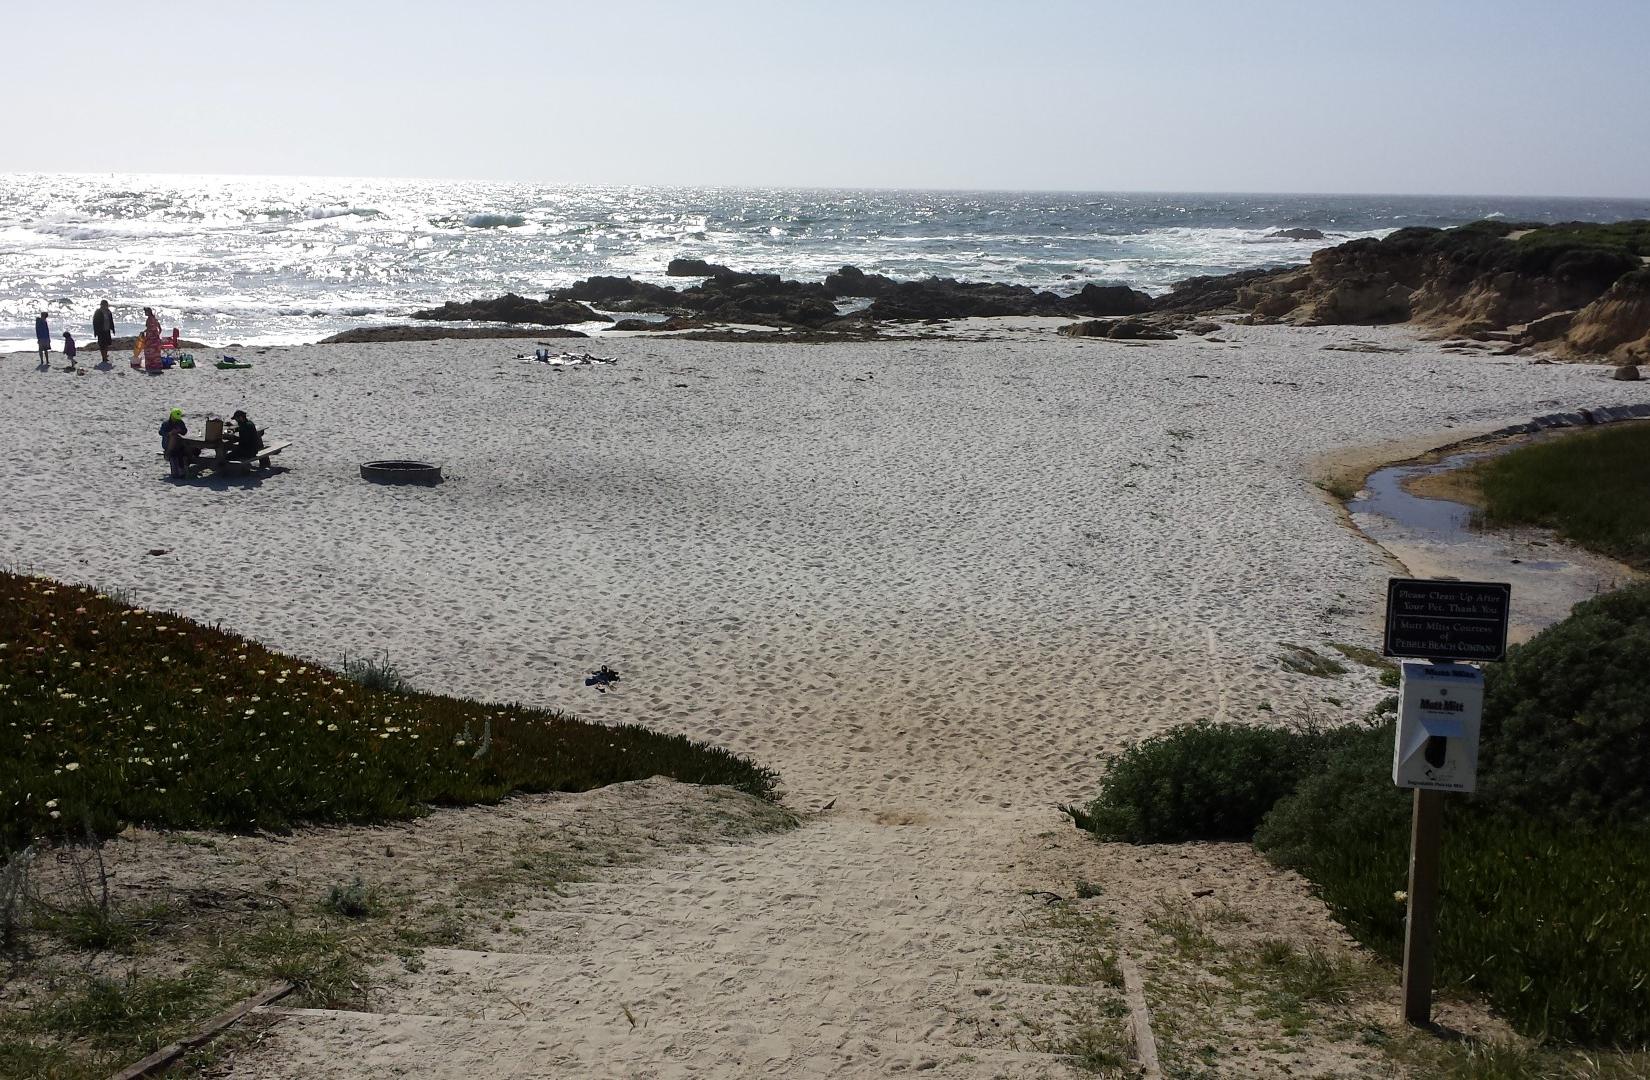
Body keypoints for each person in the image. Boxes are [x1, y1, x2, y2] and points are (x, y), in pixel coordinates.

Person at [159, 408, 190, 477]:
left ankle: (182, 470)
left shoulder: (180, 422)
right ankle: (177, 472)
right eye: (175, 418)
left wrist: (180, 430)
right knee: (174, 454)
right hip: (167, 443)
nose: (176, 420)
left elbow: (184, 432)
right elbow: (161, 432)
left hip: (178, 443)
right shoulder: (166, 424)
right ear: (171, 416)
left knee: (182, 452)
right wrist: (169, 433)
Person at [91, 300, 115, 366]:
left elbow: (111, 321)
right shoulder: (98, 312)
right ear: (101, 305)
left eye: (106, 305)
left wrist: (112, 329)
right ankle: (103, 357)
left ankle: (105, 355)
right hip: (101, 331)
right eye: (104, 305)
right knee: (102, 345)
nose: (106, 306)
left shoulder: (108, 312)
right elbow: (95, 322)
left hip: (107, 330)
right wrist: (95, 332)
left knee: (107, 344)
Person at [142, 307, 163, 371]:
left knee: (148, 351)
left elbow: (149, 328)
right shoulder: (155, 319)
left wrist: (145, 333)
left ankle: (150, 365)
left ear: (148, 312)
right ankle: (156, 365)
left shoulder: (149, 319)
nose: (145, 313)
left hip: (150, 338)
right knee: (156, 352)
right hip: (156, 338)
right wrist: (157, 335)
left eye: (145, 312)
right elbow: (160, 329)